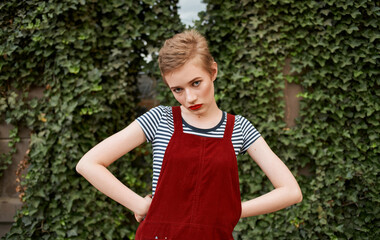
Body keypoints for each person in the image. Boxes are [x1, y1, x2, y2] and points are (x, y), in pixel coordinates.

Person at [76, 29, 302, 240]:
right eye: (178, 90)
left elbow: (291, 191)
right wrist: (138, 204)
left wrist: (232, 211)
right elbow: (89, 163)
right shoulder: (159, 119)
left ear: (213, 71)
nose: (190, 98)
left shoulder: (239, 128)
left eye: (196, 83)